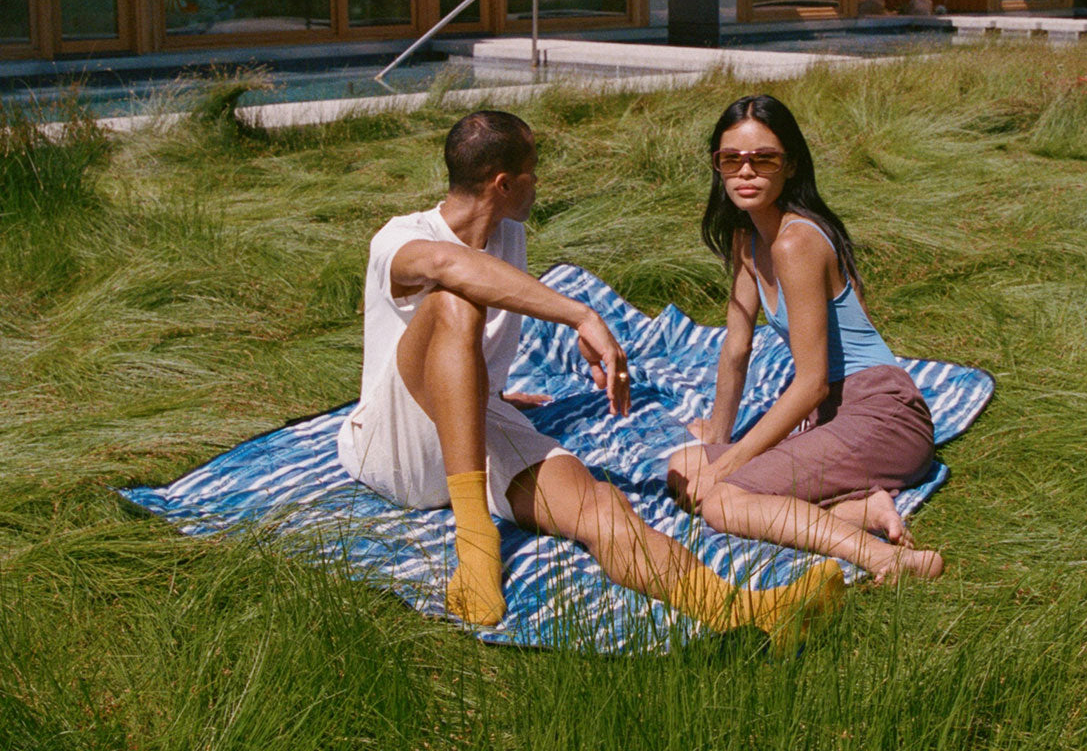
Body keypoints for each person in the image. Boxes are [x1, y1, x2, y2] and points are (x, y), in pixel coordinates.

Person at [338, 108, 844, 646]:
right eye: (534, 170)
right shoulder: (400, 238)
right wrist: (581, 314)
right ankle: (475, 542)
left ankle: (745, 611)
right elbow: (452, 268)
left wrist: (484, 390)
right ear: (505, 183)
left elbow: (468, 324)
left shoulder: (509, 234)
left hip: (470, 427)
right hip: (392, 450)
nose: (541, 182)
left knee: (600, 505)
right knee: (454, 303)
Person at [666, 94, 944, 582]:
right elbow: (736, 349)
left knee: (723, 503)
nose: (745, 172)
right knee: (684, 466)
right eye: (731, 159)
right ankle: (862, 508)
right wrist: (718, 434)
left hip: (881, 413)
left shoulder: (796, 241)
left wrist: (728, 464)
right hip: (832, 415)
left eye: (763, 159)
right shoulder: (747, 238)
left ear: (789, 165)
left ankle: (887, 559)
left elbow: (812, 382)